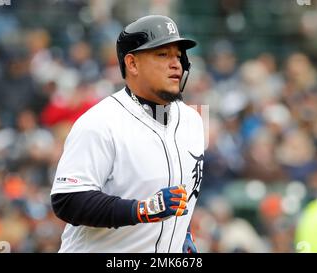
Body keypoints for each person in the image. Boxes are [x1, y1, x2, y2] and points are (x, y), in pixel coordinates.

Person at [51, 15, 204, 253]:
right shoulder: (100, 122)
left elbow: (179, 194)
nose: (176, 64)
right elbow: (67, 201)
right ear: (132, 64)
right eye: (163, 54)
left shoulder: (192, 121)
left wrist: (181, 234)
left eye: (178, 55)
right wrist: (142, 209)